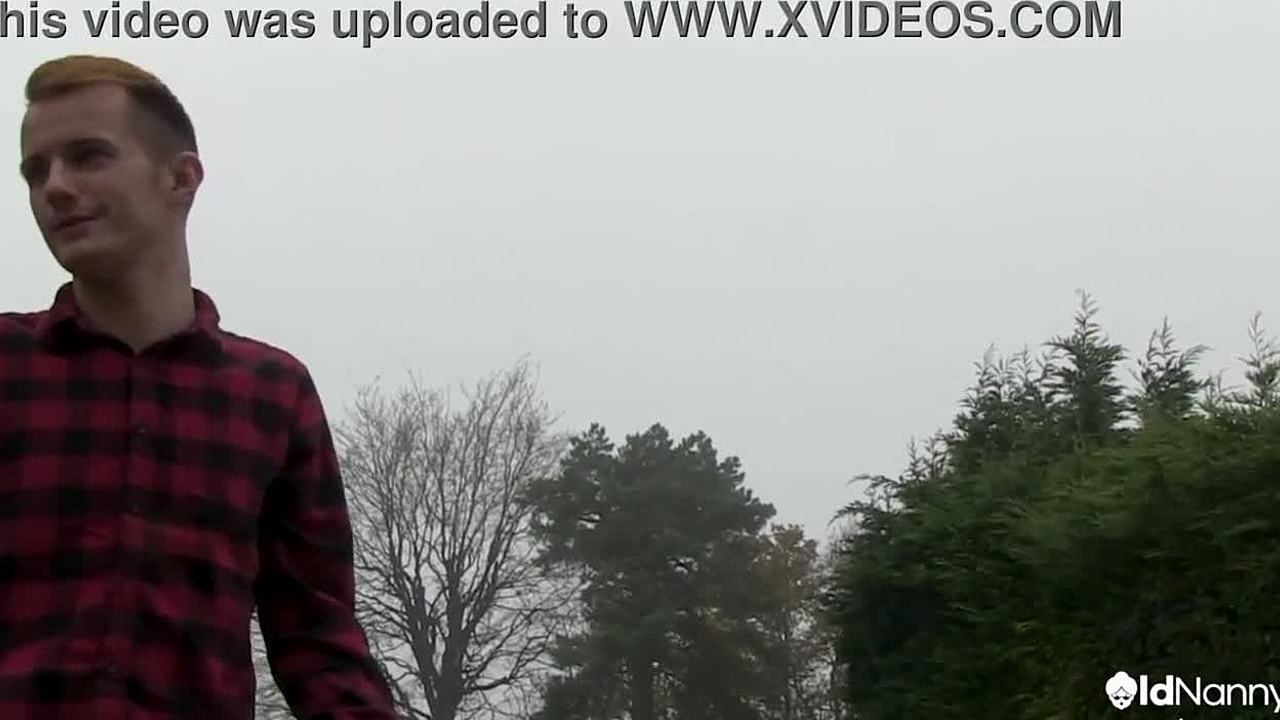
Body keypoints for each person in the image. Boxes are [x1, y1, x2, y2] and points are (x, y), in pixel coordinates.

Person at [0, 55, 398, 718]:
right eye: (36, 171)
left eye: (87, 156)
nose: (56, 187)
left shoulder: (272, 394)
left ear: (181, 178)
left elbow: (319, 643)